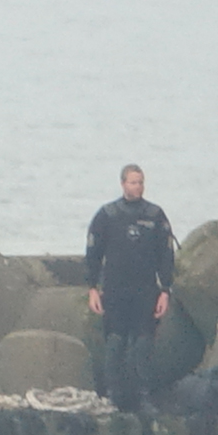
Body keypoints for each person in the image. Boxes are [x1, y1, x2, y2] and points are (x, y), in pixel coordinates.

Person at [85, 164, 176, 415]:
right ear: (123, 184)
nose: (137, 187)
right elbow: (93, 253)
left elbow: (166, 255)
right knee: (115, 342)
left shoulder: (155, 215)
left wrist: (165, 290)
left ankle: (144, 396)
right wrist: (92, 288)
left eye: (141, 182)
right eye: (133, 182)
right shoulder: (107, 214)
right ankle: (114, 395)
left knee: (143, 344)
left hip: (146, 290)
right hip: (114, 290)